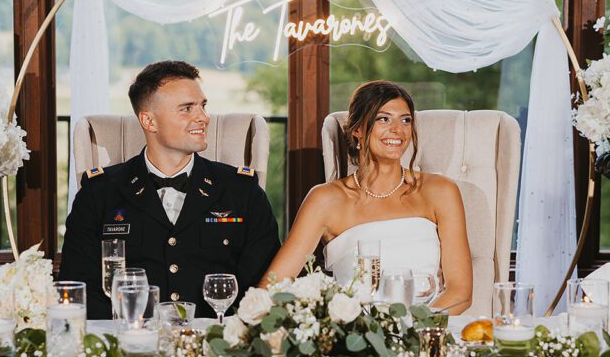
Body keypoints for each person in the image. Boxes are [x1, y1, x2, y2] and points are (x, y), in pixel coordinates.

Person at [59, 60, 281, 319]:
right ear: (149, 121)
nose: (204, 118)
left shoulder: (242, 191)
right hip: (130, 344)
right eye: (187, 109)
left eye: (203, 106)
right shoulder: (99, 193)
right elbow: (78, 289)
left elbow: (266, 284)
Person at [260, 80, 472, 314]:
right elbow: (272, 287)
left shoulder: (441, 191)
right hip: (356, 340)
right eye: (383, 118)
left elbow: (460, 293)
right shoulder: (325, 199)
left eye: (405, 120)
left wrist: (411, 331)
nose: (397, 129)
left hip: (425, 332)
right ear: (357, 130)